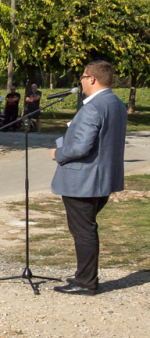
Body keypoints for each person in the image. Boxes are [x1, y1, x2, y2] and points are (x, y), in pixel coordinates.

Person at [49, 61, 127, 295]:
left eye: (83, 77)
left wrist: (58, 154)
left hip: (83, 181)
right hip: (103, 179)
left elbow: (82, 147)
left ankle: (86, 282)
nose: (81, 81)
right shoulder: (117, 103)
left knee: (84, 231)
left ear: (92, 79)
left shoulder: (93, 107)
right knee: (87, 229)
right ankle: (84, 276)